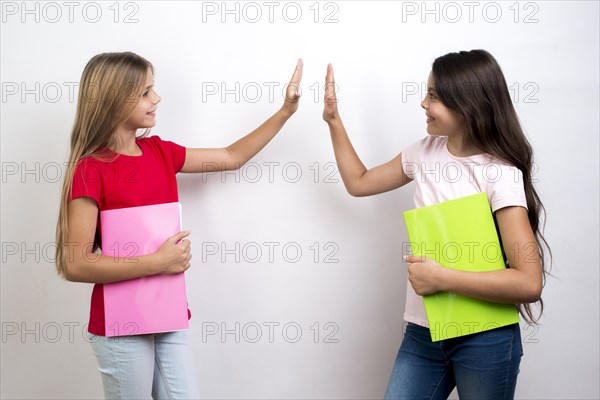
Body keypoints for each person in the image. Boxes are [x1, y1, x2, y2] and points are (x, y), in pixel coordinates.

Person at [55, 52, 303, 399]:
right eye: (145, 92)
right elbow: (75, 263)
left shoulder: (160, 152)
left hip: (167, 313)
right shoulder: (90, 169)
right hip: (120, 325)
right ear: (112, 99)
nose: (156, 98)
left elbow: (231, 157)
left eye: (153, 89)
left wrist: (285, 112)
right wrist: (157, 263)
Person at [322, 50, 550, 399]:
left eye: (434, 96)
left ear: (468, 104)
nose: (423, 104)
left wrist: (441, 278)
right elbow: (359, 182)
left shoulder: (499, 175)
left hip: (485, 339)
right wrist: (334, 121)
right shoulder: (423, 153)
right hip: (423, 334)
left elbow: (529, 281)